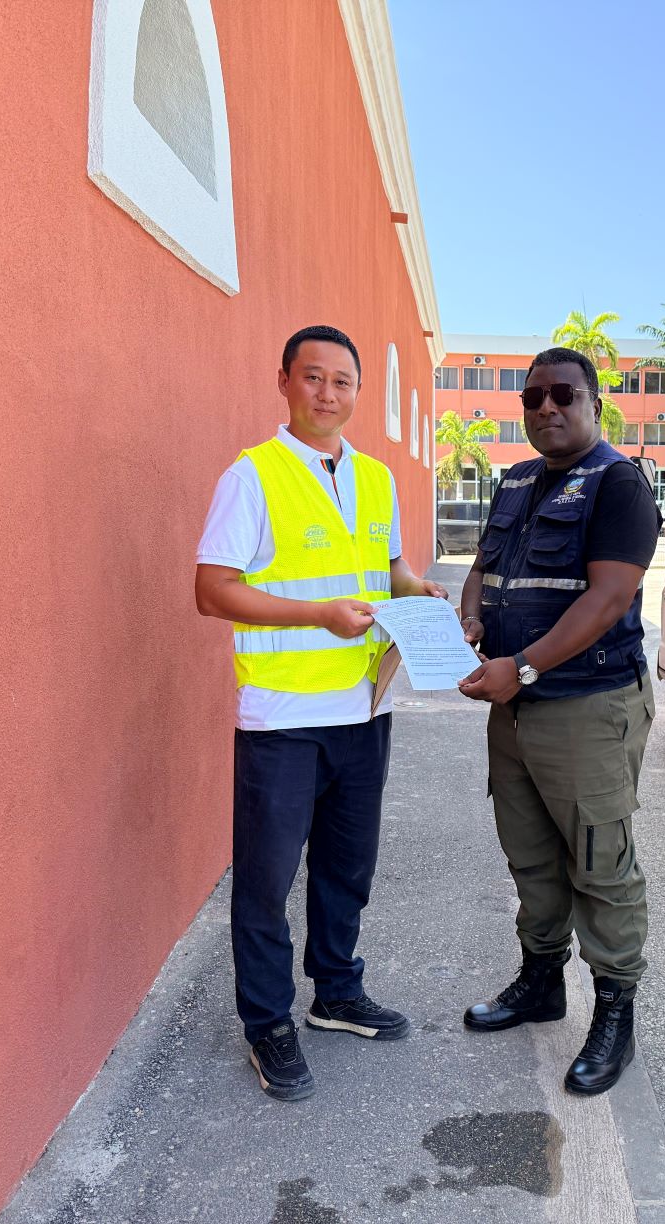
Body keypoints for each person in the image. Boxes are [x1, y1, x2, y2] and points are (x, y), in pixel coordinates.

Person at [194, 324, 445, 1101]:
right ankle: (268, 1022)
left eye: (343, 381)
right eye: (313, 377)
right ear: (284, 382)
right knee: (266, 882)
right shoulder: (253, 477)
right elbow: (212, 590)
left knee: (346, 869)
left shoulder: (375, 478)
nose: (328, 393)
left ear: (358, 392)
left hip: (364, 709)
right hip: (282, 718)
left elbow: (390, 566)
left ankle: (335, 992)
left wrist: (419, 592)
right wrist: (317, 616)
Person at [456, 346, 660, 1096]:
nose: (546, 407)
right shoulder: (513, 481)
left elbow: (607, 600)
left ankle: (614, 1014)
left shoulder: (619, 483)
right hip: (515, 707)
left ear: (593, 403)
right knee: (530, 852)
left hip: (587, 706)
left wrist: (523, 667)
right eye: (533, 397)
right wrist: (472, 618)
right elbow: (482, 569)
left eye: (563, 395)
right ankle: (541, 980)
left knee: (600, 861)